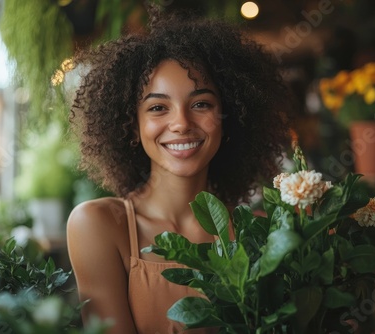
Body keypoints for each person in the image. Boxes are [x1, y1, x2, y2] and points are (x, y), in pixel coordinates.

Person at [67, 5, 291, 334]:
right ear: (132, 126)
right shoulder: (99, 226)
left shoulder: (260, 233)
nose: (182, 124)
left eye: (201, 104)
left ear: (229, 118)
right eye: (158, 107)